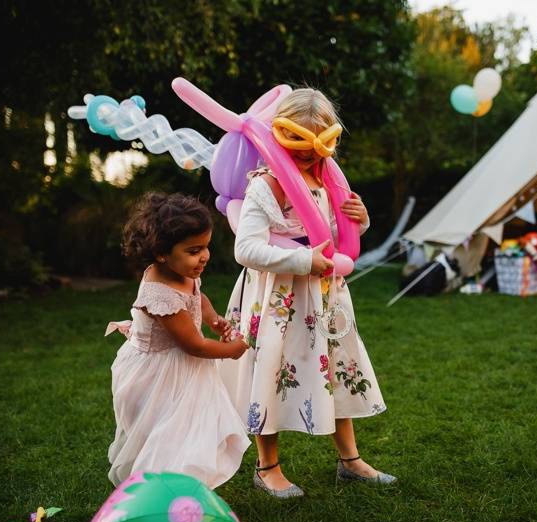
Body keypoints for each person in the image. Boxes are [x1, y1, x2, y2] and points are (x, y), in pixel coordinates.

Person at [219, 88, 395, 499]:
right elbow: (245, 249)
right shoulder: (267, 184)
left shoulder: (329, 182)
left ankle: (350, 460)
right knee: (272, 372)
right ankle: (268, 468)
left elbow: (337, 240)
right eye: (299, 143)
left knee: (334, 368)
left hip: (324, 297)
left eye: (317, 145)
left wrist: (360, 221)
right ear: (281, 134)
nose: (308, 154)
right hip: (278, 298)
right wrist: (303, 261)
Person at [106, 192, 250, 488]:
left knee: (189, 431)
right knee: (166, 434)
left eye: (206, 247)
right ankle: (161, 489)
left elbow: (198, 296)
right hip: (156, 375)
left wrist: (212, 318)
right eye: (195, 250)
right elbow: (194, 346)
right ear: (161, 253)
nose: (204, 257)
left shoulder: (184, 269)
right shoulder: (159, 294)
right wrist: (231, 350)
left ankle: (185, 485)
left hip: (183, 369)